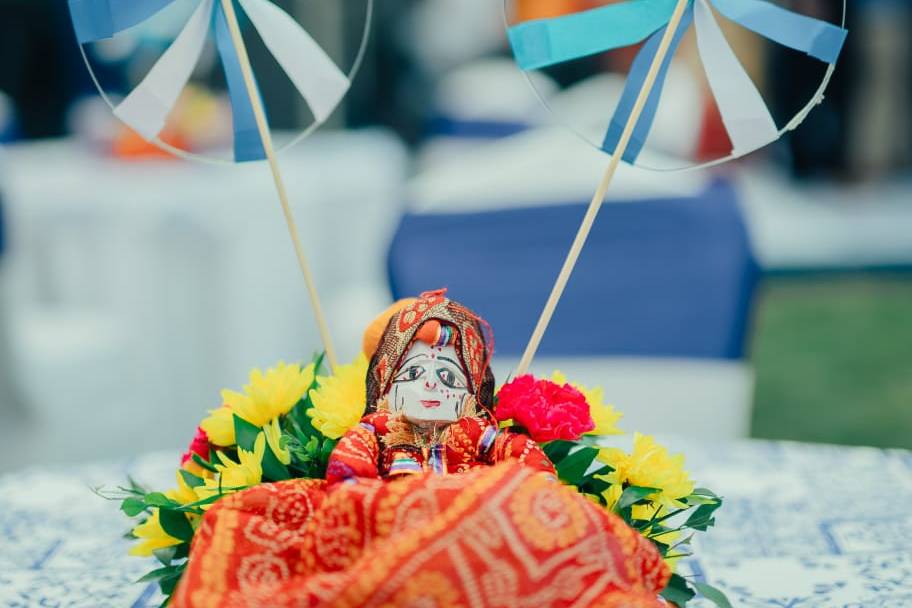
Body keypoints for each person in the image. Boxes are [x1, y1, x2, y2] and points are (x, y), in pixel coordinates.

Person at [172, 291, 669, 607]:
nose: (430, 385)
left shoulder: (475, 435)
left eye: (447, 376)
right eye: (413, 374)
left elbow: (523, 462)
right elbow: (349, 469)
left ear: (471, 394)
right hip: (392, 526)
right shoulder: (379, 430)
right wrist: (364, 502)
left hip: (475, 527)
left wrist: (527, 492)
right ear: (386, 386)